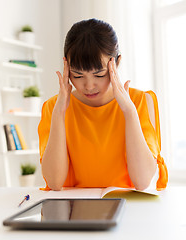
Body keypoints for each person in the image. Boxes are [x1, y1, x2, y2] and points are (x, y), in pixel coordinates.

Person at [38, 18, 168, 191]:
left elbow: (142, 181)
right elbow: (54, 182)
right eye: (77, 75)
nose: (89, 86)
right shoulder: (53, 107)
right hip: (72, 211)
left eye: (99, 75)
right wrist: (59, 114)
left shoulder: (140, 101)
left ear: (117, 62)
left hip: (127, 209)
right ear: (66, 68)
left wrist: (129, 112)